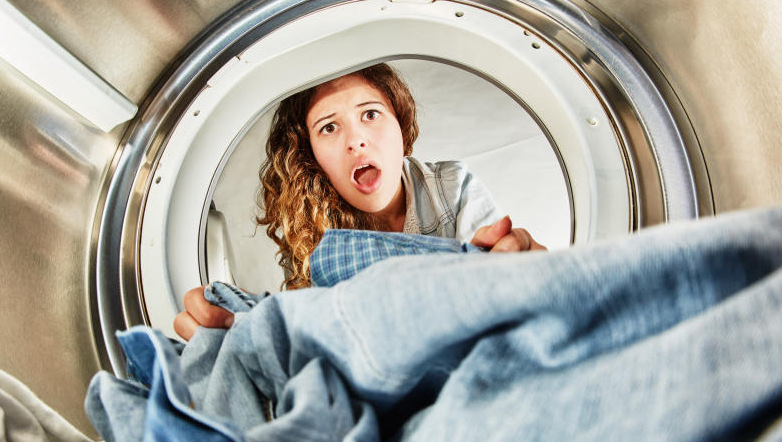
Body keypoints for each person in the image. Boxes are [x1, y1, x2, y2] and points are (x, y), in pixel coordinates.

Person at [174, 63, 545, 338]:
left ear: (400, 124)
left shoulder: (451, 186)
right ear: (312, 156)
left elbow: (505, 285)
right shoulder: (311, 233)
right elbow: (317, 335)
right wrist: (234, 324)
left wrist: (523, 270)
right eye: (329, 127)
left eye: (370, 114)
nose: (356, 141)